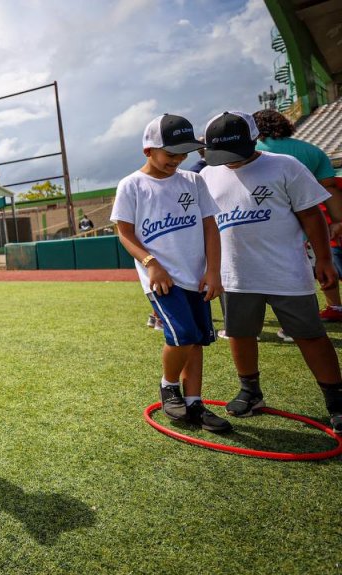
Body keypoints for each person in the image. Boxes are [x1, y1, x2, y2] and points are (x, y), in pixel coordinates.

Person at [201, 111, 342, 433]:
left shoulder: (284, 165)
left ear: (254, 139)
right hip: (235, 274)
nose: (229, 161)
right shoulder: (208, 175)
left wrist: (323, 259)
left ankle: (336, 401)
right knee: (240, 333)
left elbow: (311, 216)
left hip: (286, 271)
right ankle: (250, 391)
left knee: (310, 336)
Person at [111, 113, 230, 433]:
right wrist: (152, 263)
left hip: (197, 276)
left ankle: (195, 403)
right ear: (148, 150)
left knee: (197, 341)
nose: (177, 159)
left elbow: (210, 226)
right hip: (162, 278)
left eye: (183, 153)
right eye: (170, 153)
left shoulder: (194, 181)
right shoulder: (132, 185)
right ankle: (169, 386)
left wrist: (213, 271)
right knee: (183, 335)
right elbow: (124, 233)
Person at [253, 109, 342, 326]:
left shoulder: (252, 151)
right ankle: (335, 305)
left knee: (276, 272)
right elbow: (329, 186)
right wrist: (338, 220)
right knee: (319, 262)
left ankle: (289, 321)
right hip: (310, 218)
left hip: (268, 219)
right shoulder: (311, 150)